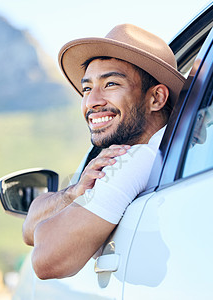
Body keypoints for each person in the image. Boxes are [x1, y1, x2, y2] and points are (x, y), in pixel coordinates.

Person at [22, 24, 185, 279]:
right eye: (87, 88)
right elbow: (29, 229)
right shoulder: (174, 151)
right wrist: (74, 192)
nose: (92, 101)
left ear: (156, 98)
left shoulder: (137, 158)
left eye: (110, 84)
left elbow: (45, 261)